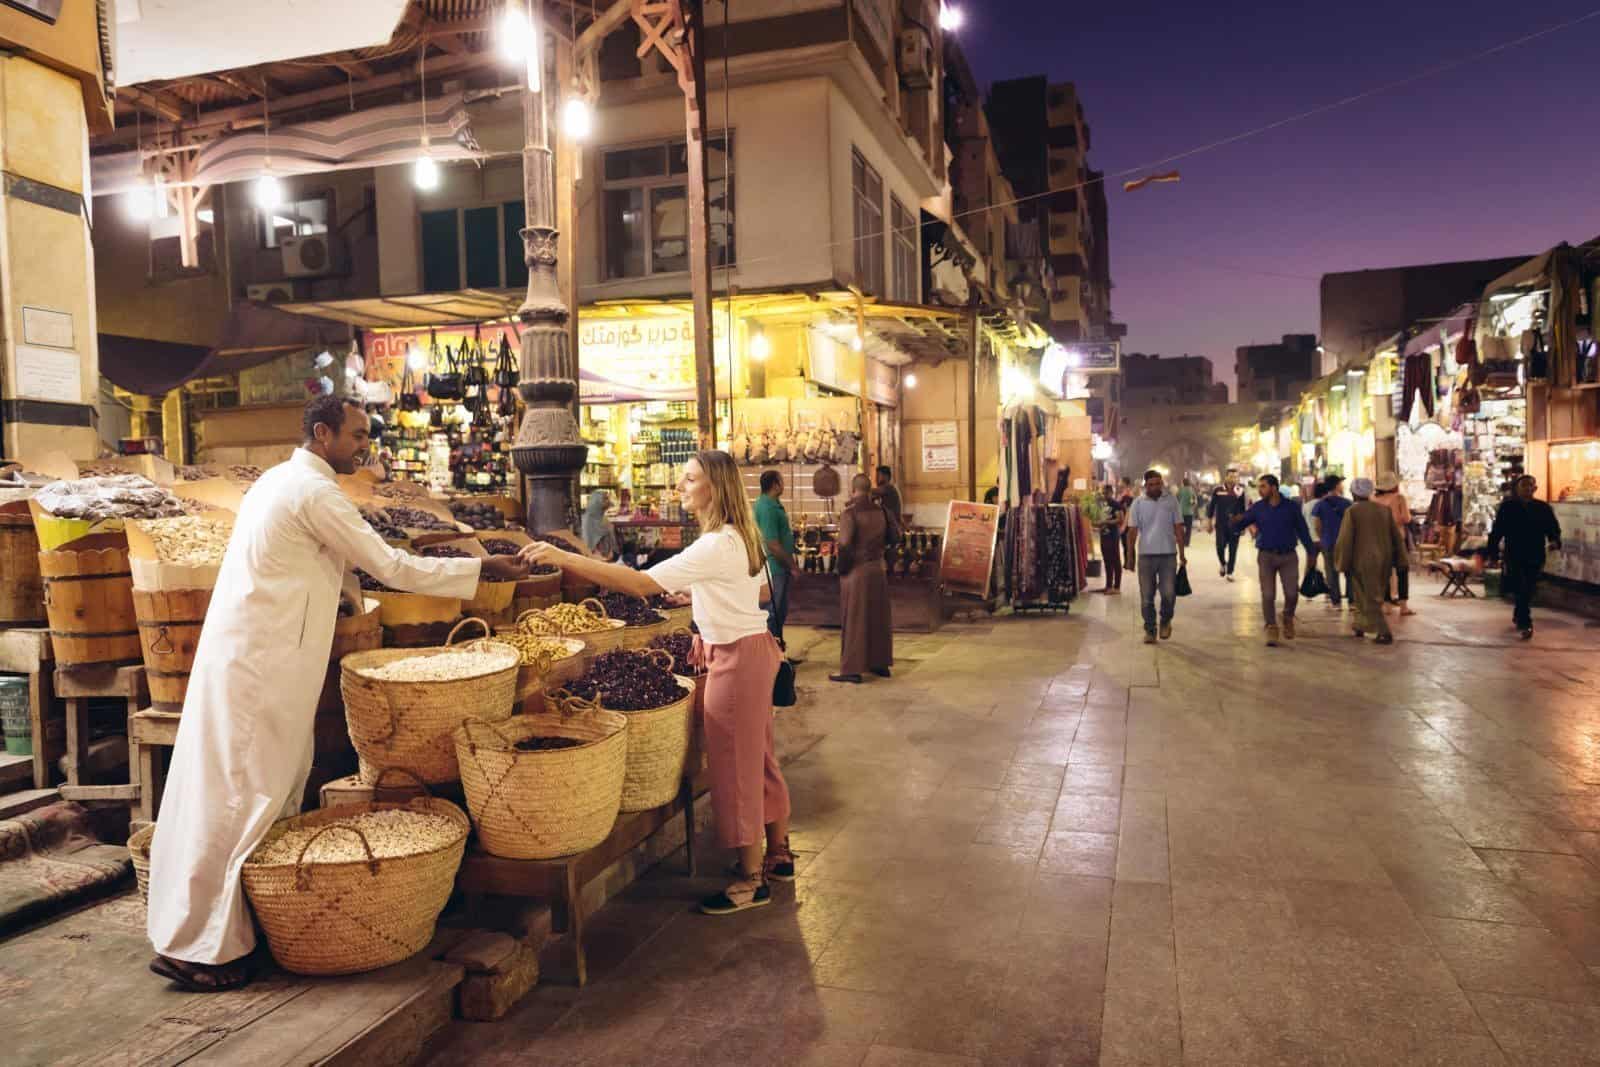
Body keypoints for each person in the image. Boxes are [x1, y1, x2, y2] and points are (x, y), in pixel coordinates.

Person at [147, 396, 528, 992]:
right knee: (241, 795)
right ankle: (198, 946)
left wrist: (345, 595)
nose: (364, 444)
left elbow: (323, 560)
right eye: (355, 433)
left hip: (260, 655)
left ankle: (227, 932)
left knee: (248, 788)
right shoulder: (314, 492)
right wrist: (484, 571)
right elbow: (391, 566)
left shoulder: (286, 481)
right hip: (262, 662)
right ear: (322, 434)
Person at [523, 450, 792, 913]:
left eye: (689, 480)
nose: (680, 487)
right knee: (760, 756)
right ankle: (779, 853)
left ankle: (752, 880)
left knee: (735, 768)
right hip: (756, 650)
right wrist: (705, 590)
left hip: (736, 661)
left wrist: (563, 557)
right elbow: (761, 590)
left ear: (714, 488)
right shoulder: (738, 537)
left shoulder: (713, 545)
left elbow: (639, 584)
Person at [1233, 473, 1316, 646]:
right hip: (1266, 556)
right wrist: (1234, 521)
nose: (1260, 490)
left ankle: (1287, 617)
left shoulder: (1291, 507)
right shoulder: (1258, 508)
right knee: (1268, 594)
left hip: (1288, 556)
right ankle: (1271, 626)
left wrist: (1311, 551)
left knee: (1292, 593)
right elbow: (1241, 523)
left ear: (1274, 487)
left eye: (1263, 486)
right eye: (1259, 487)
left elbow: (1302, 529)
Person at [832, 474, 894, 683]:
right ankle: (879, 664)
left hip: (857, 572)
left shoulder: (850, 513)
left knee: (855, 620)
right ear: (869, 489)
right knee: (878, 618)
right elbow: (896, 536)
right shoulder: (882, 511)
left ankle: (851, 669)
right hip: (878, 569)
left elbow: (845, 544)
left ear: (853, 489)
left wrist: (841, 569)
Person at [1334, 478, 1408, 645]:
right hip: (1384, 559)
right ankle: (1360, 625)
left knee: (1370, 597)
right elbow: (1396, 537)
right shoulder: (1383, 510)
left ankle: (1384, 632)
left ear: (1353, 493)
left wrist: (1342, 561)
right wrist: (1401, 559)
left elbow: (1346, 539)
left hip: (1362, 560)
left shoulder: (1352, 512)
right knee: (1364, 594)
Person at [1487, 475, 1562, 640]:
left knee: (1528, 587)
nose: (1527, 489)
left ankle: (1519, 614)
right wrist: (1492, 553)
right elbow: (1497, 530)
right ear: (1517, 488)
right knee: (1520, 585)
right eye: (1524, 486)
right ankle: (1524, 622)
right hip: (1514, 553)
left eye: (1530, 486)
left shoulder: (1542, 508)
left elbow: (1552, 527)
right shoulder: (1508, 507)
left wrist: (1555, 540)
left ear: (1535, 489)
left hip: (1535, 553)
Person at [1127, 469, 1186, 644]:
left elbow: (1178, 527)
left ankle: (1165, 620)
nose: (1155, 487)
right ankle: (1150, 629)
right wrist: (1130, 556)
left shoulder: (1171, 501)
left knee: (1168, 594)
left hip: (1168, 555)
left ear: (1162, 483)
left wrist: (1182, 553)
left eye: (1158, 483)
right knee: (1146, 597)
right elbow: (1132, 531)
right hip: (1146, 556)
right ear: (1146, 485)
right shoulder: (1138, 503)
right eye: (1151, 484)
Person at [753, 470, 798, 645]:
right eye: (782, 481)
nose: (784, 485)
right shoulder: (768, 507)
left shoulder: (772, 503)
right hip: (773, 568)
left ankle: (779, 652)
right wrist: (793, 566)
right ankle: (772, 659)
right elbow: (772, 543)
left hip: (778, 567)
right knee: (772, 613)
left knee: (779, 612)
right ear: (775, 484)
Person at [1373, 473, 1415, 616]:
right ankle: (1403, 606)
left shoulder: (1373, 499)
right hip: (1397, 538)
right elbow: (1406, 518)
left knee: (1384, 572)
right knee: (1402, 570)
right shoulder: (1399, 498)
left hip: (1379, 539)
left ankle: (1386, 605)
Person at [1312, 476, 1352, 609]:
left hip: (1328, 542)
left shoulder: (1320, 504)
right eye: (1341, 484)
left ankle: (1336, 601)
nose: (1343, 486)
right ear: (1336, 486)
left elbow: (1317, 525)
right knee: (1349, 572)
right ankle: (1352, 600)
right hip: (1346, 543)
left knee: (1331, 572)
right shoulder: (1347, 503)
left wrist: (1323, 537)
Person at [1206, 473, 1246, 579]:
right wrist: (1209, 522)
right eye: (1231, 476)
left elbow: (1242, 509)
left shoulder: (1240, 491)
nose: (1233, 478)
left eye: (1235, 477)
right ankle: (1223, 563)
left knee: (1233, 549)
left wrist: (1243, 526)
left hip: (1235, 524)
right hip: (1221, 524)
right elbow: (1211, 507)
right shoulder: (1218, 490)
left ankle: (1230, 572)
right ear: (1226, 477)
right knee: (1220, 546)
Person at [1097, 482, 1125, 594]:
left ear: (1111, 493)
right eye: (1103, 493)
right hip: (1103, 535)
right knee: (1107, 560)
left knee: (1115, 560)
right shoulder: (1101, 505)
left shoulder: (1116, 504)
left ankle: (1117, 587)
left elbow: (1120, 520)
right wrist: (1098, 523)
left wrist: (1106, 522)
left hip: (1113, 535)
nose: (1104, 495)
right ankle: (1108, 586)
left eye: (1106, 493)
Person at [581, 489, 619, 560]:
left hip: (608, 557)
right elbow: (589, 546)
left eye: (608, 498)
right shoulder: (587, 520)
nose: (608, 501)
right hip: (596, 559)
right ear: (597, 501)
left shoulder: (602, 518)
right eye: (605, 499)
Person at [871, 465, 903, 545]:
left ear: (885, 476)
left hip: (891, 528)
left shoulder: (889, 488)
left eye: (878, 475)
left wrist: (861, 489)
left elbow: (870, 492)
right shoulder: (885, 489)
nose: (876, 479)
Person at [1176, 478, 1197, 547]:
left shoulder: (1180, 490)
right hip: (1189, 512)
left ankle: (1181, 540)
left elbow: (1177, 499)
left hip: (1180, 512)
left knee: (1180, 528)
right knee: (1188, 528)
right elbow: (1194, 501)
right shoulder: (1192, 490)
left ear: (1183, 483)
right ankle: (1187, 542)